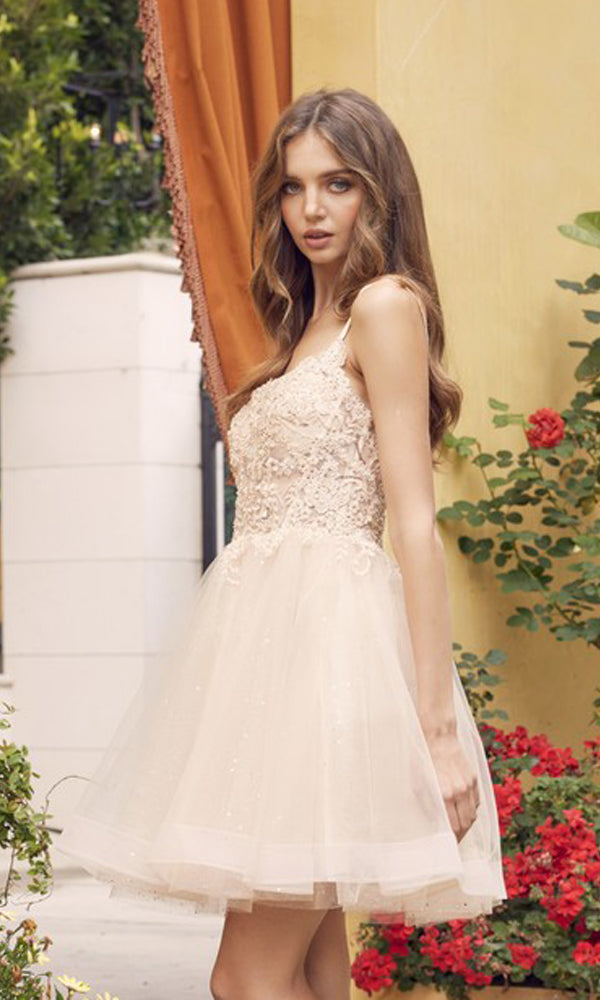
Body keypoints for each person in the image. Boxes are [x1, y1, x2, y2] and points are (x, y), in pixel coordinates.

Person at [56, 87, 507, 1000]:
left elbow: (413, 519)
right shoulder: (308, 325)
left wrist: (436, 731)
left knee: (242, 977)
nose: (310, 210)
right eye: (294, 188)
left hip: (330, 663)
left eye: (337, 184)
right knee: (308, 968)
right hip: (269, 667)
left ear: (378, 193)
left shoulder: (386, 306)